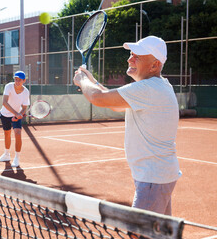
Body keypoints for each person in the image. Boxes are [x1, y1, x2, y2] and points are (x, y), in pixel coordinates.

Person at [73, 36, 181, 215]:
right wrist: (91, 81)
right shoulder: (157, 86)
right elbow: (114, 103)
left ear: (154, 65)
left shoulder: (148, 88)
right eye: (131, 54)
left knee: (136, 232)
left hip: (153, 178)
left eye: (137, 56)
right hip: (156, 176)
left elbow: (99, 98)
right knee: (159, 233)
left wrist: (82, 81)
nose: (129, 59)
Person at [0, 71, 30, 167]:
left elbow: (24, 108)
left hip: (16, 115)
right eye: (16, 79)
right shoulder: (8, 86)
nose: (17, 81)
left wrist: (18, 115)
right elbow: (4, 102)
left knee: (18, 133)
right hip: (4, 114)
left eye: (19, 80)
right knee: (7, 134)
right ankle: (6, 154)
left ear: (24, 80)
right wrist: (16, 114)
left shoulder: (26, 92)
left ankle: (17, 158)